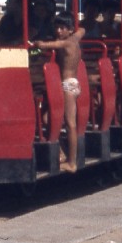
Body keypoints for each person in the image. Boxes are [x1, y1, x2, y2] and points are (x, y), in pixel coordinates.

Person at [31, 17, 84, 173]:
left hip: (68, 85)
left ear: (69, 30)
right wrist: (78, 30)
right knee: (47, 118)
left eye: (62, 28)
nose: (58, 31)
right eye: (57, 28)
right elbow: (82, 30)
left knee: (70, 123)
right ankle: (61, 152)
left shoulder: (67, 42)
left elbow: (47, 45)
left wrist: (37, 44)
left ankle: (72, 162)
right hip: (71, 84)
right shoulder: (75, 37)